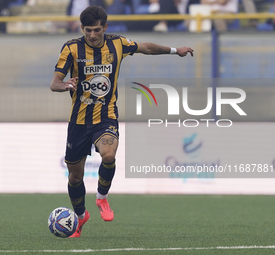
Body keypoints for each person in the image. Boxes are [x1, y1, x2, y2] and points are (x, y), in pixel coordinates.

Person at [50, 5, 193, 238]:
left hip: (107, 116)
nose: (92, 35)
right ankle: (80, 215)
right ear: (82, 28)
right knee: (75, 176)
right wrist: (66, 84)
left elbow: (146, 47)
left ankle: (102, 198)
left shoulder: (118, 43)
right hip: (78, 121)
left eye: (97, 30)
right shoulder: (71, 48)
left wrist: (175, 50)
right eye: (88, 30)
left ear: (105, 27)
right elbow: (54, 82)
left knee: (108, 155)